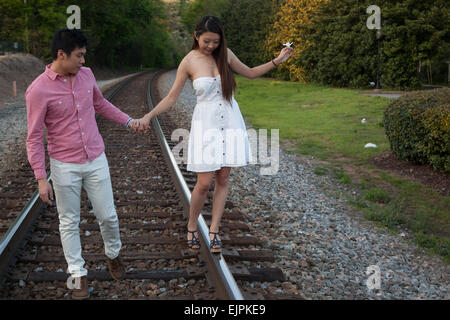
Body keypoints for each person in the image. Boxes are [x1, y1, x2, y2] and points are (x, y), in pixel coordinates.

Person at [137, 15, 293, 254]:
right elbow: (171, 98)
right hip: (206, 124)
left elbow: (250, 72)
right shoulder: (189, 61)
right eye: (207, 41)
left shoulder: (226, 55)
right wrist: (148, 116)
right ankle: (191, 227)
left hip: (230, 121)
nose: (211, 46)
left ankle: (214, 230)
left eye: (215, 42)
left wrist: (278, 60)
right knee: (203, 183)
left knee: (223, 179)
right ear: (196, 35)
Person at [25, 28, 139, 299]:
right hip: (64, 165)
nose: (83, 62)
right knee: (69, 221)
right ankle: (77, 273)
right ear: (61, 55)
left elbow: (101, 104)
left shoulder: (86, 76)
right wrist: (41, 178)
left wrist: (128, 120)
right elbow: (33, 138)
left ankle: (113, 254)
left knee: (108, 216)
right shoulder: (38, 90)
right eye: (79, 56)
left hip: (96, 158)